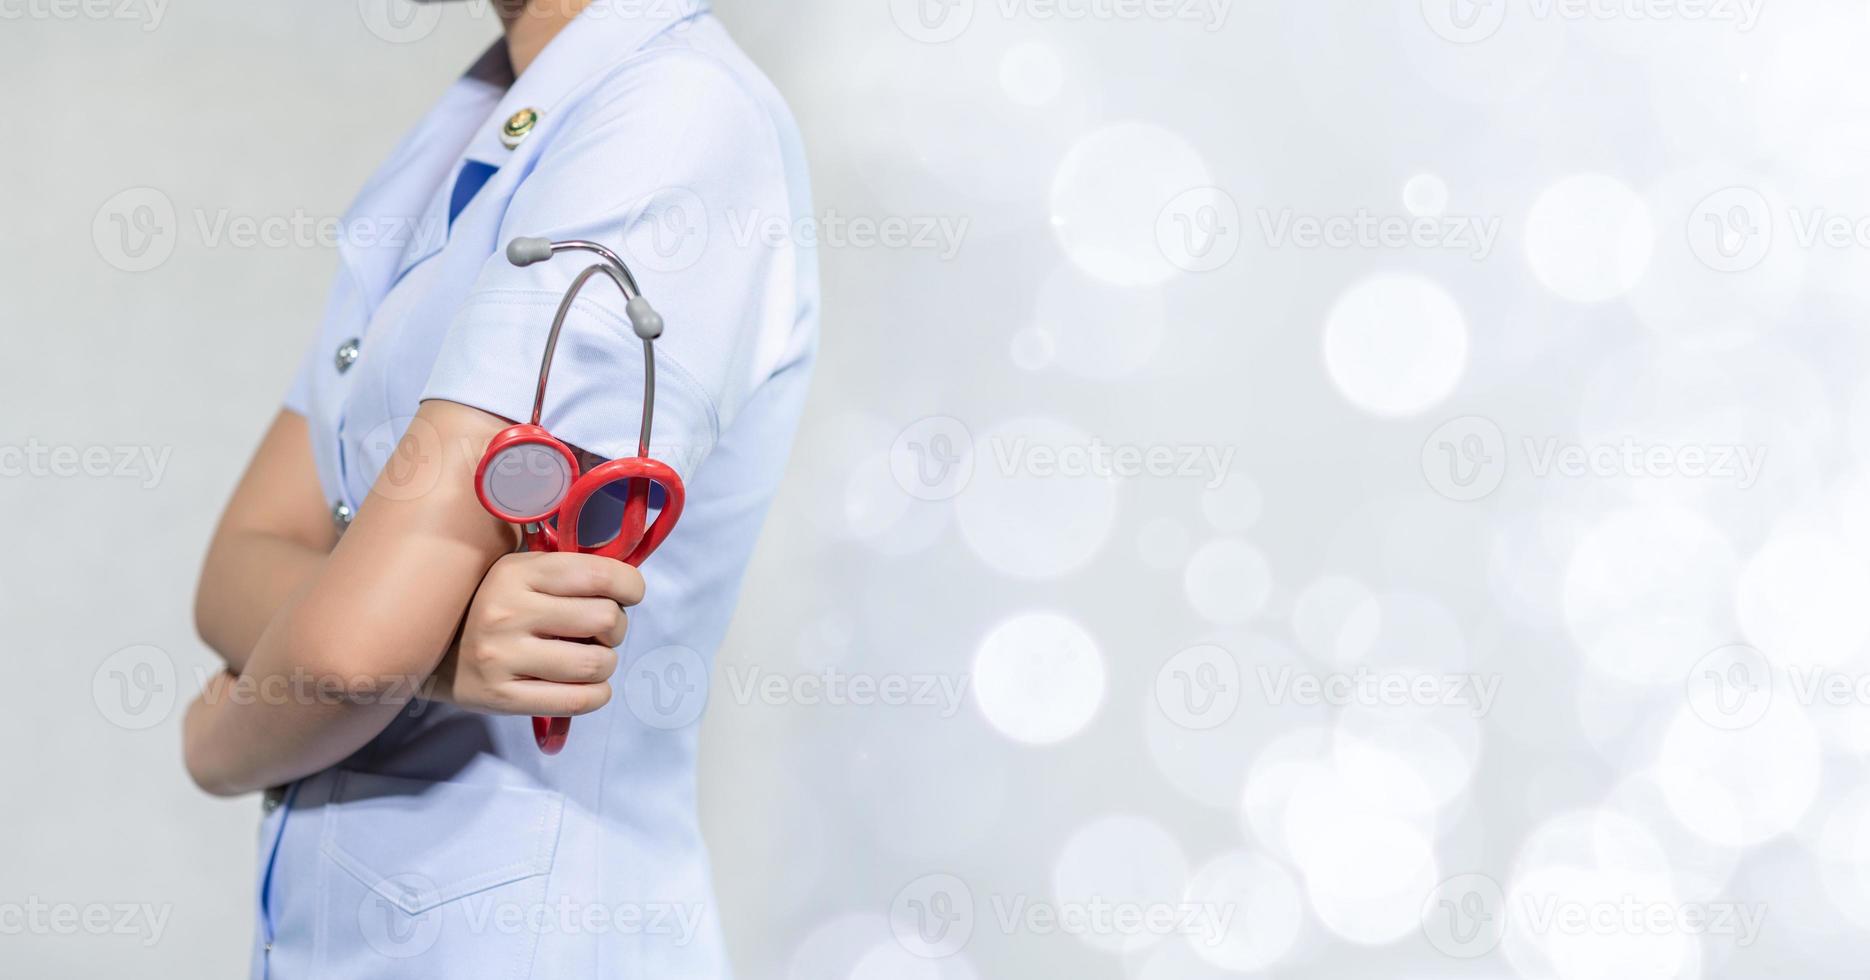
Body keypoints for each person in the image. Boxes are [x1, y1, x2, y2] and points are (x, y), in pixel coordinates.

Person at [182, 0, 817, 975]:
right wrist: (431, 651)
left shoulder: (670, 118)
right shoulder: (483, 114)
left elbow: (348, 657)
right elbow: (243, 555)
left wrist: (218, 734)